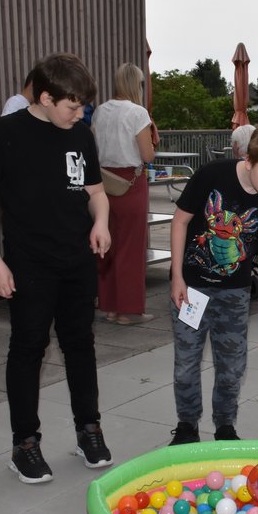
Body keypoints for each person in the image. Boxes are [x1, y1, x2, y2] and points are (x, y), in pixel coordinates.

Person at [0, 53, 113, 484]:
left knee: (80, 345)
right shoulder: (5, 133)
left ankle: (89, 430)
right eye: (72, 106)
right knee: (28, 349)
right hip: (29, 262)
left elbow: (96, 192)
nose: (80, 113)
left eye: (84, 106)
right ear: (46, 97)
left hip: (76, 260)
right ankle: (24, 444)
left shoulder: (81, 135)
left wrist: (101, 221)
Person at [167, 125, 258, 445]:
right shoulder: (212, 175)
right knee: (186, 362)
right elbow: (180, 221)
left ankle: (225, 425)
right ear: (250, 160)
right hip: (191, 289)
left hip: (234, 294)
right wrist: (177, 277)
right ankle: (187, 425)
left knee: (232, 365)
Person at [93, 63, 156, 325]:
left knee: (107, 246)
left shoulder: (100, 111)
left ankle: (108, 306)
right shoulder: (137, 113)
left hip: (103, 183)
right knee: (131, 247)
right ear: (136, 84)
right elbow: (147, 155)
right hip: (130, 182)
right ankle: (128, 311)